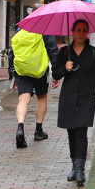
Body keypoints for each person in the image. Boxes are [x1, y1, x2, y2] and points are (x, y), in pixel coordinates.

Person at [52, 19, 95, 186]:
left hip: (86, 98)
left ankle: (80, 169)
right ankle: (74, 166)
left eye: (84, 30)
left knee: (81, 132)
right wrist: (64, 68)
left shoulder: (92, 52)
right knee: (71, 132)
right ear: (73, 31)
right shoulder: (64, 52)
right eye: (78, 30)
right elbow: (55, 74)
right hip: (68, 98)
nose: (81, 33)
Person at [8, 19, 59, 148]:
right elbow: (53, 51)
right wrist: (57, 74)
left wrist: (11, 74)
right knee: (41, 97)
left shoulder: (21, 30)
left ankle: (20, 126)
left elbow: (12, 52)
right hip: (39, 70)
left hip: (22, 70)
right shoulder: (46, 30)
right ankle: (38, 131)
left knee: (23, 99)